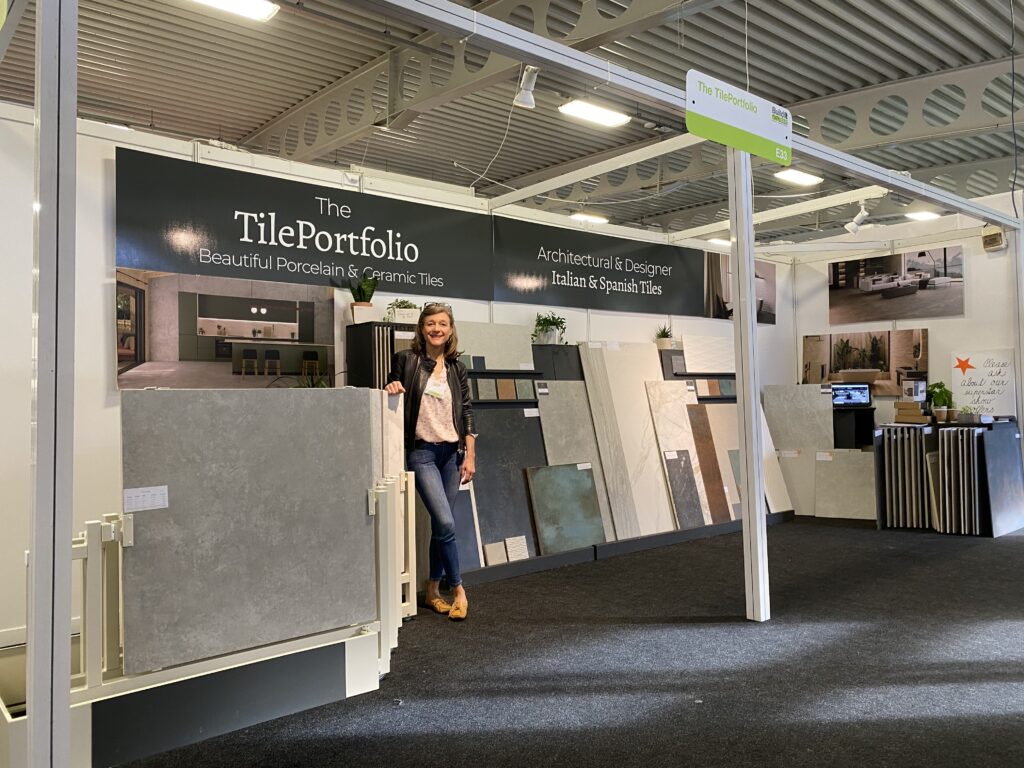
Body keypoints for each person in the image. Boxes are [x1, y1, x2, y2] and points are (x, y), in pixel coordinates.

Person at [385, 303, 475, 621]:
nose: (436, 329)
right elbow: (392, 390)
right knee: (447, 522)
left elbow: (466, 412)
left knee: (442, 524)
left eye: (443, 324)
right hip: (421, 453)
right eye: (430, 323)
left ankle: (433, 590)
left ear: (450, 330)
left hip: (452, 455)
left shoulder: (456, 368)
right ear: (422, 328)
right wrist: (392, 387)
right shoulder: (406, 360)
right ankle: (459, 589)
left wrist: (470, 456)